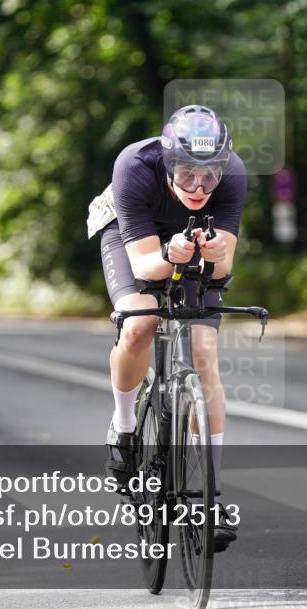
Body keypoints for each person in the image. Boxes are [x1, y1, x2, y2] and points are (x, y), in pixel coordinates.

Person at [89, 105, 247, 551]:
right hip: (132, 236)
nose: (198, 186)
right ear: (168, 161)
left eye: (209, 176)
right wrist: (168, 255)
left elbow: (224, 267)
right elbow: (144, 265)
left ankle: (211, 498)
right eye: (186, 173)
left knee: (204, 354)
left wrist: (213, 254)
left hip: (191, 239)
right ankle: (123, 427)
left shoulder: (234, 174)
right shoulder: (134, 166)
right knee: (140, 323)